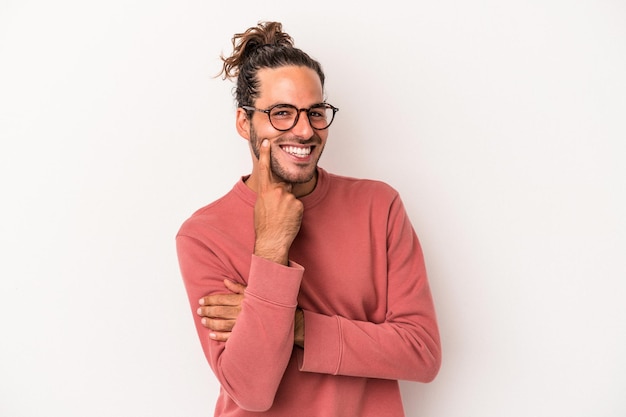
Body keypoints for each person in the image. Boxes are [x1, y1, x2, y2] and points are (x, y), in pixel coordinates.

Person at [176, 21, 441, 417]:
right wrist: (270, 245)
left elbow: (421, 353)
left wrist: (295, 325)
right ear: (244, 123)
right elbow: (251, 392)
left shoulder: (378, 205)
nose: (304, 131)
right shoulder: (203, 234)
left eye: (315, 112)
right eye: (281, 113)